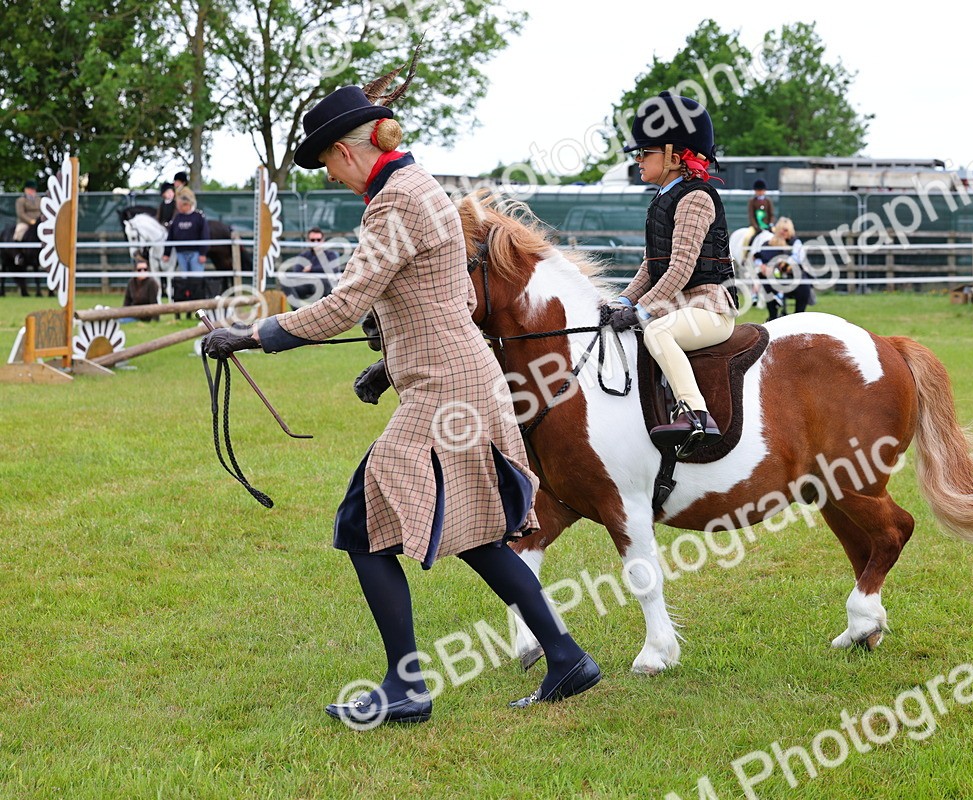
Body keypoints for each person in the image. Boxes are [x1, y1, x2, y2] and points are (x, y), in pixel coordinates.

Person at [200, 81, 600, 725]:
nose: (329, 175)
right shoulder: (423, 189)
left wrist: (252, 335)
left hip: (447, 390)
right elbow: (444, 302)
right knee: (476, 535)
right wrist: (388, 367)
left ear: (347, 150)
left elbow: (345, 304)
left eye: (327, 161)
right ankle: (565, 657)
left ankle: (405, 688)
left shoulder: (394, 205)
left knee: (362, 523)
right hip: (455, 377)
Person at [609, 92, 737, 453]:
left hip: (708, 308)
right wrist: (619, 301)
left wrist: (641, 311)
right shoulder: (661, 200)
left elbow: (680, 267)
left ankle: (697, 414)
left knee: (658, 331)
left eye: (644, 153)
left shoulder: (696, 197)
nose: (637, 160)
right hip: (679, 305)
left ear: (673, 156)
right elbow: (649, 269)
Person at [753, 217, 809, 320]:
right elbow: (758, 257)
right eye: (781, 229)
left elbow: (796, 259)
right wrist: (762, 266)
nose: (783, 232)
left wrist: (783, 264)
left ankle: (798, 318)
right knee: (766, 281)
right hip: (772, 278)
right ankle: (772, 316)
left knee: (804, 286)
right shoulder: (768, 244)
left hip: (792, 277)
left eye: (786, 230)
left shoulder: (795, 243)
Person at [164, 187, 208, 274]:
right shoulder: (177, 218)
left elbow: (205, 235)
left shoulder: (198, 217)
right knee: (184, 279)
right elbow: (171, 236)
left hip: (196, 253)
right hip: (181, 253)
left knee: (196, 278)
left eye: (180, 205)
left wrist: (203, 253)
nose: (178, 207)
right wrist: (167, 253)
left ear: (187, 204)